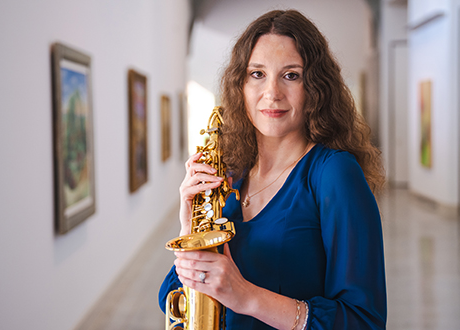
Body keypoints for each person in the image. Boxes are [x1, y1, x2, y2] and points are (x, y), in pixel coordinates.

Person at [159, 9, 386, 330]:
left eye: (291, 75)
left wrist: (246, 296)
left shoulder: (335, 174)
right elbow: (176, 301)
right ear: (240, 84)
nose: (272, 93)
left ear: (315, 88)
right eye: (257, 74)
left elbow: (364, 321)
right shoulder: (229, 173)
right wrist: (188, 229)